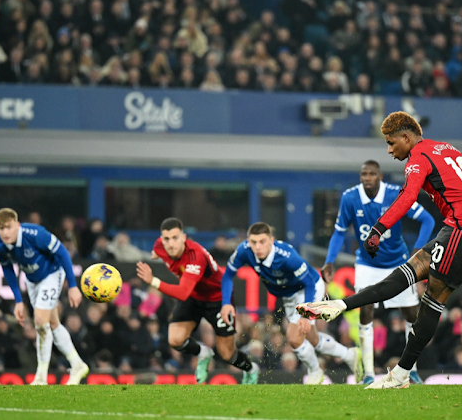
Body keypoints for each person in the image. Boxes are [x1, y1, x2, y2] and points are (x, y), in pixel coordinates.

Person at [296, 111, 462, 389]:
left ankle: (401, 374)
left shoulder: (418, 158)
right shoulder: (445, 148)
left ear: (406, 137)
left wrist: (378, 229)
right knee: (404, 275)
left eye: (391, 143)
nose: (389, 150)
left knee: (430, 303)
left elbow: (408, 196)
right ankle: (339, 305)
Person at [323, 160, 434, 384]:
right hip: (367, 264)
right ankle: (369, 374)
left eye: (372, 173)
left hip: (398, 262)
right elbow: (339, 232)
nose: (367, 177)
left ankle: (410, 368)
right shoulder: (350, 197)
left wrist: (418, 251)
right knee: (365, 311)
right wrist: (329, 261)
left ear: (380, 176)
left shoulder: (396, 194)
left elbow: (427, 220)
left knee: (411, 315)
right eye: (363, 173)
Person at [221, 222, 363, 385]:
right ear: (248, 241)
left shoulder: (287, 256)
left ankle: (316, 373)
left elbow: (309, 283)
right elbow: (227, 275)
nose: (257, 246)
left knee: (294, 337)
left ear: (271, 241)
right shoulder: (244, 251)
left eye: (262, 242)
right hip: (289, 296)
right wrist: (226, 303)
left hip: (309, 289)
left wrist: (306, 313)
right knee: (312, 339)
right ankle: (349, 355)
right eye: (253, 242)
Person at [135, 217, 260, 385]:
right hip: (194, 296)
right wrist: (157, 253)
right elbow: (158, 251)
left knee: (227, 354)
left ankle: (251, 369)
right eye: (166, 239)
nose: (171, 243)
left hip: (217, 299)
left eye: (175, 238)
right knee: (175, 340)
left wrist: (153, 281)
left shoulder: (195, 256)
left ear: (184, 238)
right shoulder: (161, 246)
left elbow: (182, 293)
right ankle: (203, 353)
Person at [0, 208, 89, 385]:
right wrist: (18, 300)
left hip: (52, 274)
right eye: (1, 228)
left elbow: (63, 253)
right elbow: (7, 269)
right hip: (32, 280)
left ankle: (41, 376)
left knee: (40, 320)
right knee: (52, 323)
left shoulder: (36, 234)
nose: (5, 233)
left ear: (17, 225)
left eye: (9, 227)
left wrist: (73, 286)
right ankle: (77, 364)